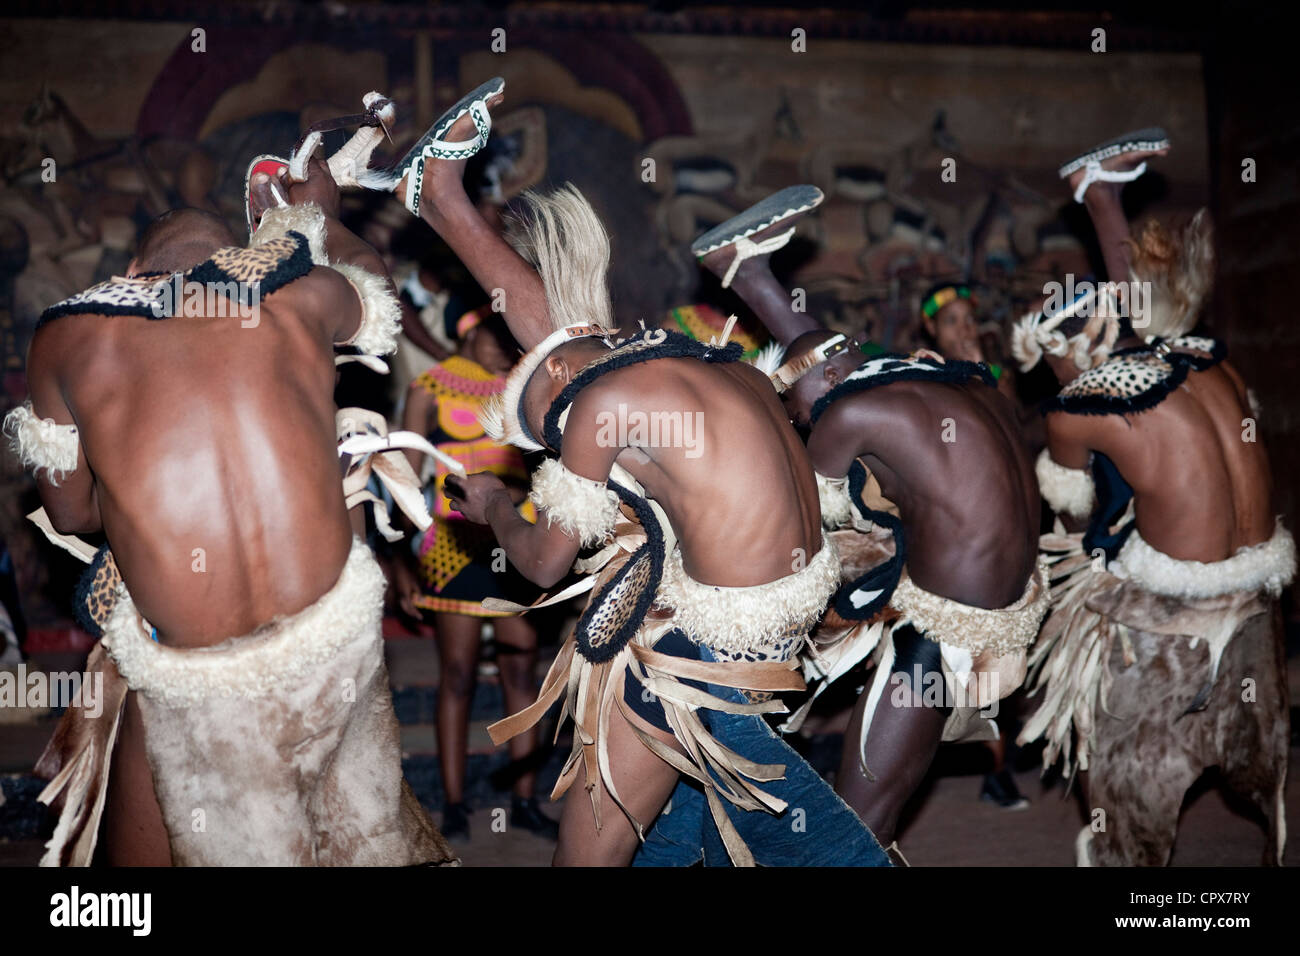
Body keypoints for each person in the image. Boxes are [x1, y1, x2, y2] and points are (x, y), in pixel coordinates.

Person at [362, 80, 888, 865]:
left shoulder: (601, 402)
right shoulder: (697, 360)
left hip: (707, 651)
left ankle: (439, 197)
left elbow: (541, 564)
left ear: (557, 403)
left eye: (543, 426)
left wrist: (496, 503)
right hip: (776, 615)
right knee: (674, 832)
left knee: (589, 856)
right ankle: (439, 196)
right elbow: (554, 334)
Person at [5, 157, 453, 866]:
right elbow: (377, 296)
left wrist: (135, 494)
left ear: (131, 267)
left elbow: (70, 515)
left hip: (197, 674)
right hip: (335, 645)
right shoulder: (300, 293)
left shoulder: (68, 334)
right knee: (355, 840)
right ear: (239, 258)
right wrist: (319, 218)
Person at [690, 186, 1048, 858]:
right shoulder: (964, 380)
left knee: (859, 822)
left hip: (944, 629)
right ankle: (745, 271)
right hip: (1014, 601)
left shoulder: (849, 416)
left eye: (797, 412)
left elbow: (808, 529)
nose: (803, 424)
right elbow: (821, 367)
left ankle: (743, 272)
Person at [1013, 129, 1293, 865]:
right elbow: (1146, 336)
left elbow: (1075, 517)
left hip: (1167, 618)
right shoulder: (1215, 363)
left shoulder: (1084, 402)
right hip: (1260, 598)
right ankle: (1098, 193)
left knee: (1069, 586)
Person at [394, 309, 557, 840]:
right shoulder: (429, 386)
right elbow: (400, 477)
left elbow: (548, 466)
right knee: (458, 674)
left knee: (520, 669)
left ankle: (526, 799)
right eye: (492, 335)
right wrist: (400, 558)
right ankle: (456, 803)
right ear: (468, 330)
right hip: (452, 542)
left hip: (517, 537)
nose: (500, 347)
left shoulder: (524, 387)